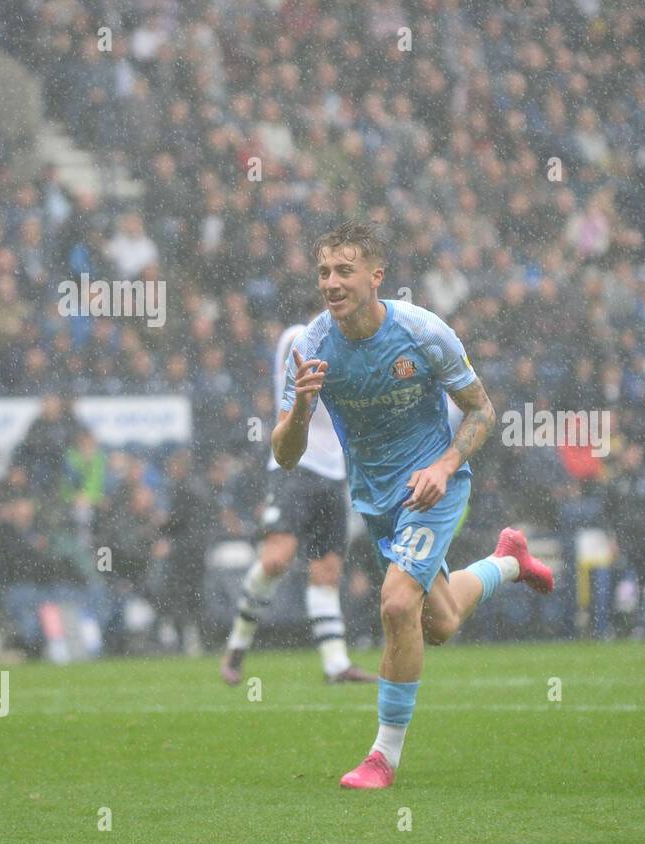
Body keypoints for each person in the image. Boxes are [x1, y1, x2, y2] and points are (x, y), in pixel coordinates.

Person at [273, 221, 554, 790]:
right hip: (377, 500)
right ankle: (509, 561)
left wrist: (445, 466)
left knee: (398, 607)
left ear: (377, 276)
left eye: (344, 270)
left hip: (434, 485)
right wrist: (302, 407)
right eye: (324, 271)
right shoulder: (312, 347)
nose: (331, 282)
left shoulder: (424, 333)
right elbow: (284, 455)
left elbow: (481, 410)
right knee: (441, 622)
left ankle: (382, 757)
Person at [219, 323, 376, 686]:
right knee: (275, 559)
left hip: (333, 473)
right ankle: (237, 645)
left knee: (327, 571)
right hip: (293, 466)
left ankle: (335, 664)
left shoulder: (346, 344)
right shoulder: (296, 339)